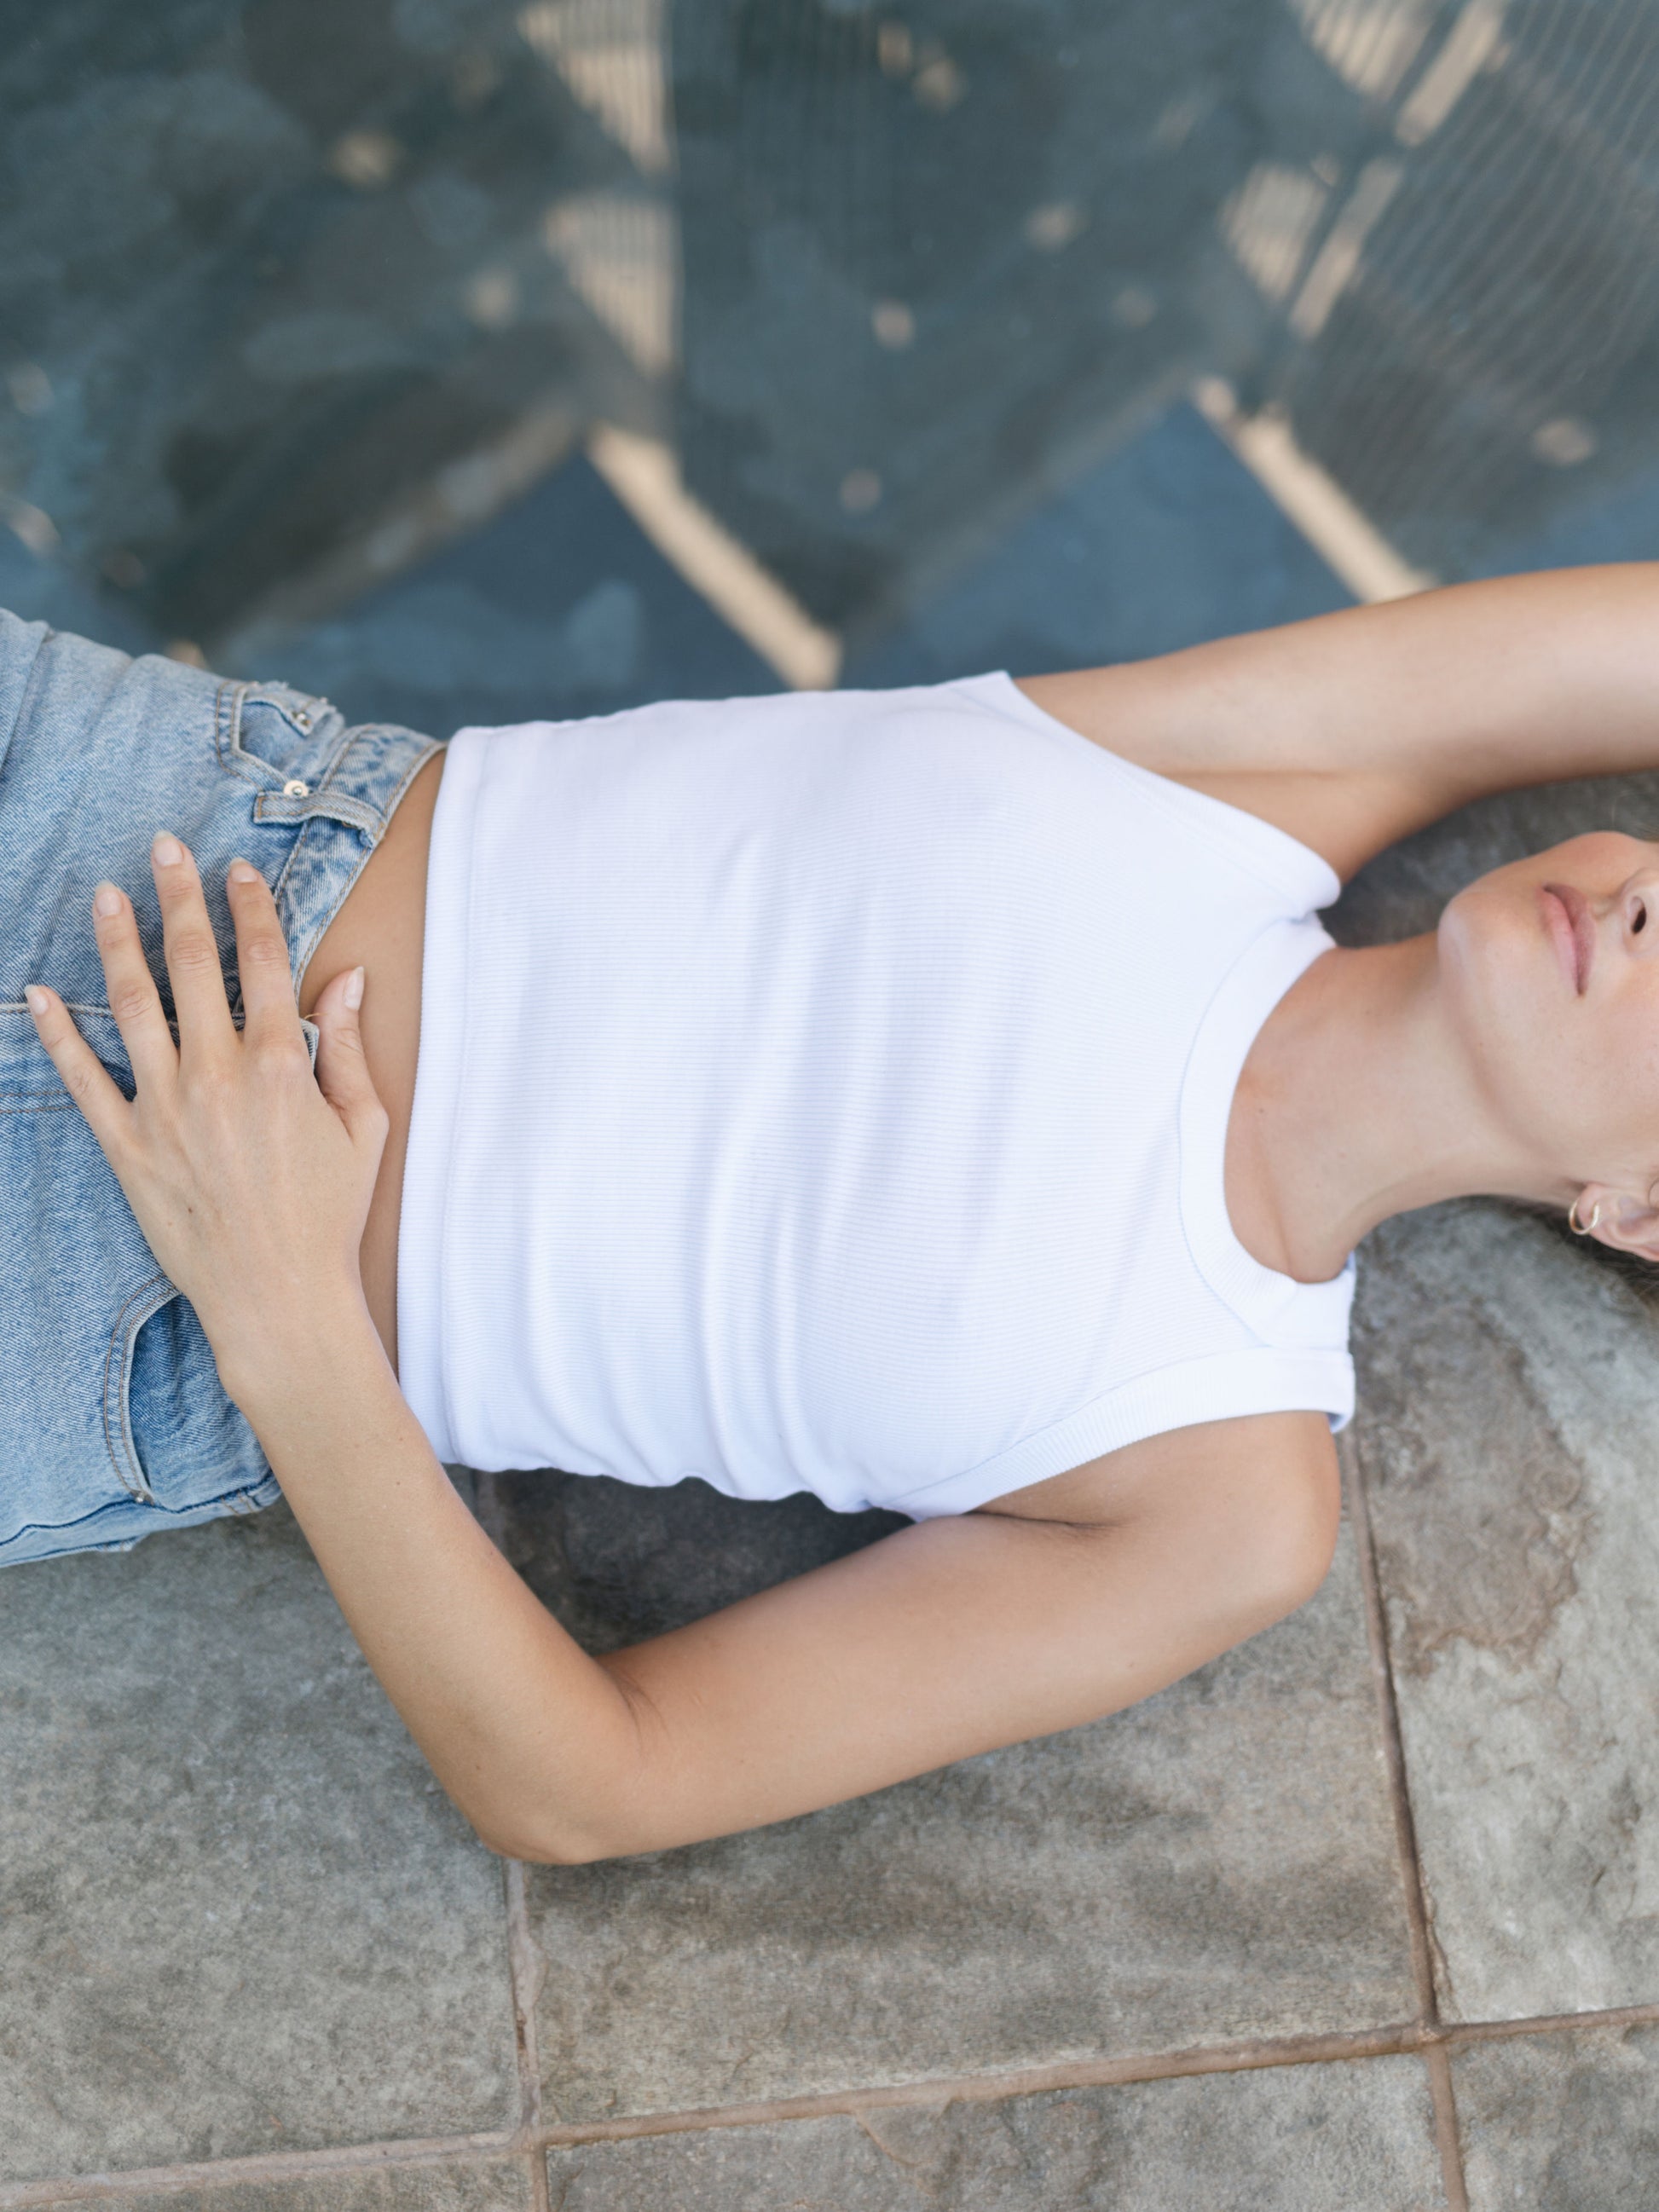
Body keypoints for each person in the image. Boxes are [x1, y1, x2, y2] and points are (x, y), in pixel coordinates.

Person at [6, 568, 1656, 1865]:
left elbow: (589, 1783)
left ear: (1638, 1208)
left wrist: (286, 1320)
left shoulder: (1211, 1482)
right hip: (123, 829)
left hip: (102, 1302)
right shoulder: (1249, 772)